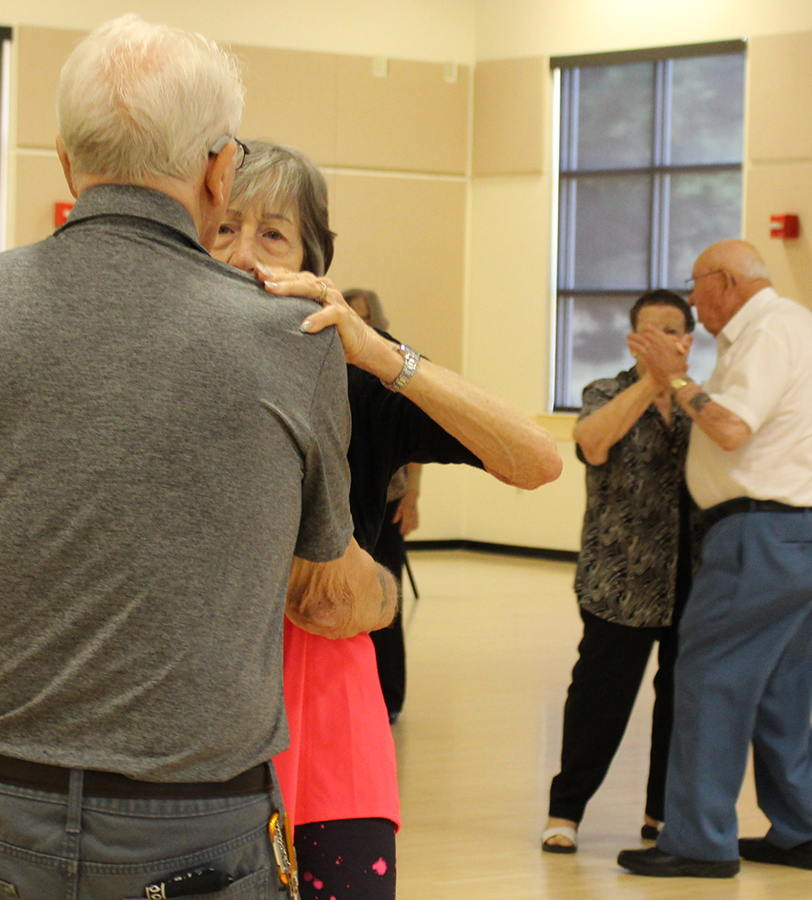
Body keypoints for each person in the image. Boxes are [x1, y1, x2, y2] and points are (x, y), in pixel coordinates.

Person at [0, 17, 396, 900]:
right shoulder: (291, 340)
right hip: (200, 822)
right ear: (221, 170)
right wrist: (383, 596)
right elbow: (329, 593)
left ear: (70, 164)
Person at [213, 139, 562, 900]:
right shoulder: (155, 372)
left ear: (313, 261)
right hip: (197, 727)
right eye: (223, 228)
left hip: (332, 716)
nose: (244, 255)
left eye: (273, 234)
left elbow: (536, 459)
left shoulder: (356, 381)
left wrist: (377, 352)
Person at [615, 241, 812, 879]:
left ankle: (698, 841)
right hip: (800, 535)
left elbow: (732, 428)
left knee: (710, 683)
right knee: (779, 694)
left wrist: (676, 378)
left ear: (726, 281)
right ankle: (802, 832)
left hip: (759, 538)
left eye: (696, 286)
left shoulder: (769, 328)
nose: (690, 299)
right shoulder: (778, 328)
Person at [541, 289, 698, 855]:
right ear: (633, 339)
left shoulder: (703, 401)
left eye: (672, 330)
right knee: (599, 700)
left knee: (682, 701)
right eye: (648, 331)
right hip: (620, 577)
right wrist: (653, 381)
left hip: (693, 577)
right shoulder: (604, 390)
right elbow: (593, 443)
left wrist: (675, 386)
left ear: (689, 339)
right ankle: (566, 811)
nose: (660, 340)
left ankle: (661, 814)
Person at [343, 287, 420, 722]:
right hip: (344, 504)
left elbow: (414, 448)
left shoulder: (394, 364)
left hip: (387, 500)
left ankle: (390, 698)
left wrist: (412, 497)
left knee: (387, 600)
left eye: (366, 318)